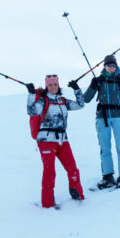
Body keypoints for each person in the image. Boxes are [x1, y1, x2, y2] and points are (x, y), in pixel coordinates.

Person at [26, 75, 85, 209]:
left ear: (58, 86)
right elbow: (31, 111)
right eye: (50, 85)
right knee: (50, 171)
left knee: (72, 168)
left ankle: (77, 194)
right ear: (46, 87)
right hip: (46, 140)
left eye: (55, 85)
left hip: (62, 140)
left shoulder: (62, 100)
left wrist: (76, 89)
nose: (53, 87)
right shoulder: (43, 101)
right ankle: (47, 203)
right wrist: (30, 94)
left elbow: (81, 105)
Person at [83, 55, 120, 189]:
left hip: (118, 116)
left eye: (113, 65)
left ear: (116, 66)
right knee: (105, 148)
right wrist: (92, 86)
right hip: (102, 118)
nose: (111, 68)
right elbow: (86, 99)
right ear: (104, 66)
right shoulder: (99, 80)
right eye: (109, 65)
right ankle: (108, 177)